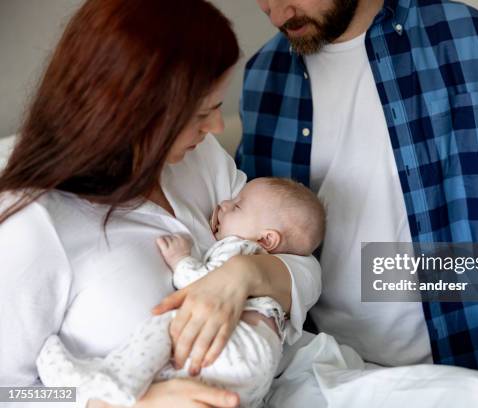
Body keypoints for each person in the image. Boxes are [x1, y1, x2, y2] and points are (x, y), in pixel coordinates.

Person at [237, 0, 478, 407]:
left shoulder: (465, 38)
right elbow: (252, 232)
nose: (277, 13)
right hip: (321, 379)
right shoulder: (264, 76)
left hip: (461, 360)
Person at [0, 1, 322, 407]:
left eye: (218, 107)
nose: (217, 129)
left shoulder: (198, 159)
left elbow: (300, 259)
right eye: (201, 113)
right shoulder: (33, 224)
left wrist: (245, 273)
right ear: (135, 114)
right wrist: (133, 402)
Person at [35, 177, 326, 408]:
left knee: (172, 323)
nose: (223, 204)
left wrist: (185, 262)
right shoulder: (32, 221)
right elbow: (10, 392)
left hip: (234, 350)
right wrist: (90, 402)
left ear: (267, 239)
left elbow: (204, 287)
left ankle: (120, 381)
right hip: (252, 372)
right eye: (202, 114)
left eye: (236, 206)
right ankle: (107, 389)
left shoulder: (239, 246)